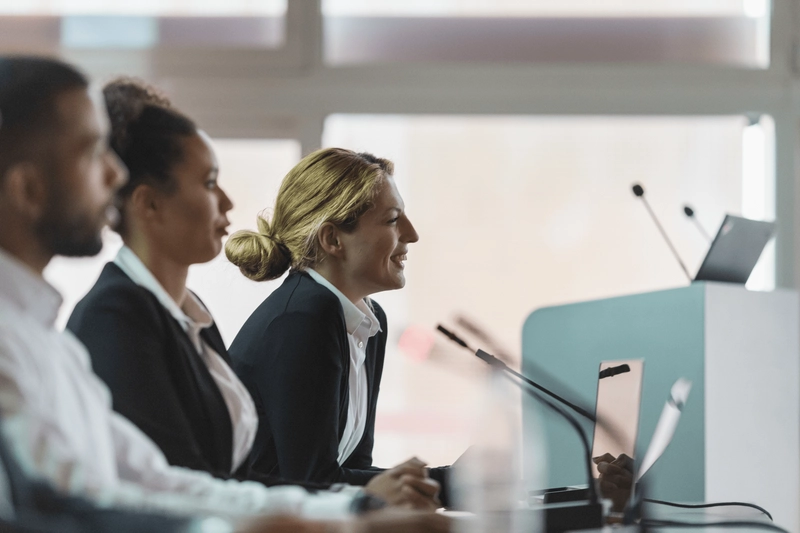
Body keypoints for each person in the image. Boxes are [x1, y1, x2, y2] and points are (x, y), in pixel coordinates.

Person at [0, 55, 449, 533]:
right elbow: (64, 508)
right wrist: (328, 518)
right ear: (27, 189)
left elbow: (157, 483)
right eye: (92, 153)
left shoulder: (54, 344)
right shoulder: (97, 319)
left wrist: (349, 511)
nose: (113, 176)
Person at [225, 148, 451, 502]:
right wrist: (449, 484)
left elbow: (351, 467)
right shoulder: (302, 318)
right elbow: (313, 481)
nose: (412, 234)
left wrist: (451, 482)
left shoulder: (368, 322)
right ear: (332, 239)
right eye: (393, 219)